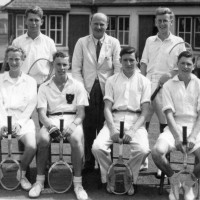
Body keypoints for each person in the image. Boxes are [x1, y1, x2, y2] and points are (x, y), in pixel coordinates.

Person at [29, 51, 89, 200]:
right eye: (58, 64)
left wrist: (74, 125)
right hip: (52, 120)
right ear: (53, 65)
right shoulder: (44, 87)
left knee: (75, 140)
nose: (61, 67)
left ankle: (78, 184)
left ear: (68, 65)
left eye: (64, 64)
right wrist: (50, 127)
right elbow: (41, 114)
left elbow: (81, 113)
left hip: (72, 120)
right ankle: (39, 182)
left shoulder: (78, 85)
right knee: (42, 140)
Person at [92, 46, 151, 195]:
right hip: (115, 119)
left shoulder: (144, 81)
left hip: (135, 122)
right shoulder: (111, 80)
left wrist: (132, 130)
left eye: (132, 60)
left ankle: (128, 176)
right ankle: (109, 176)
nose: (129, 63)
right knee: (97, 147)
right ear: (120, 61)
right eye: (125, 60)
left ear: (137, 61)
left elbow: (145, 112)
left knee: (143, 149)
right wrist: (111, 129)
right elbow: (107, 108)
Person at [72, 12, 121, 172]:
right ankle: (88, 162)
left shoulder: (113, 42)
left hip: (106, 91)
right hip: (87, 90)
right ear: (90, 23)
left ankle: (105, 163)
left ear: (107, 25)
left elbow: (117, 68)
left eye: (102, 24)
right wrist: (81, 90)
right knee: (87, 127)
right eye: (96, 23)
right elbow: (76, 69)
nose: (99, 27)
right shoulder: (81, 42)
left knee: (106, 127)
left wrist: (113, 91)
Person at [140, 7, 185, 174]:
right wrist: (142, 84)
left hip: (167, 89)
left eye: (165, 20)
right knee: (142, 124)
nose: (162, 23)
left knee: (164, 126)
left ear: (171, 22)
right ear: (155, 22)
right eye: (159, 21)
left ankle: (162, 163)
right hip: (148, 86)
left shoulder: (179, 42)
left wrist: (169, 75)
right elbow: (144, 63)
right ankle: (142, 160)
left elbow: (182, 66)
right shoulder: (149, 40)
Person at [151, 51, 200, 200]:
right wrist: (178, 137)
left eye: (189, 64)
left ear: (194, 66)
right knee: (157, 152)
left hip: (195, 128)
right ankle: (174, 180)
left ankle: (190, 182)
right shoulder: (168, 85)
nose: (185, 66)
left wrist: (192, 136)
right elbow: (168, 114)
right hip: (174, 127)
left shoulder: (199, 84)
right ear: (177, 65)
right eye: (182, 63)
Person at [0, 46, 37, 191]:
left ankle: (21, 174)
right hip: (2, 117)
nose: (14, 62)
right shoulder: (0, 79)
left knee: (32, 146)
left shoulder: (30, 81)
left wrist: (20, 124)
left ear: (23, 60)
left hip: (24, 119)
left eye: (17, 59)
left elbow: (31, 105)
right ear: (7, 60)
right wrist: (3, 123)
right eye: (11, 59)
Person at [12, 5, 56, 85]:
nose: (33, 23)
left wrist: (47, 82)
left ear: (41, 22)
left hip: (43, 85)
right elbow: (13, 65)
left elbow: (54, 65)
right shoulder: (17, 42)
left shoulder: (49, 42)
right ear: (25, 21)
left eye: (36, 20)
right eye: (31, 20)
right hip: (22, 85)